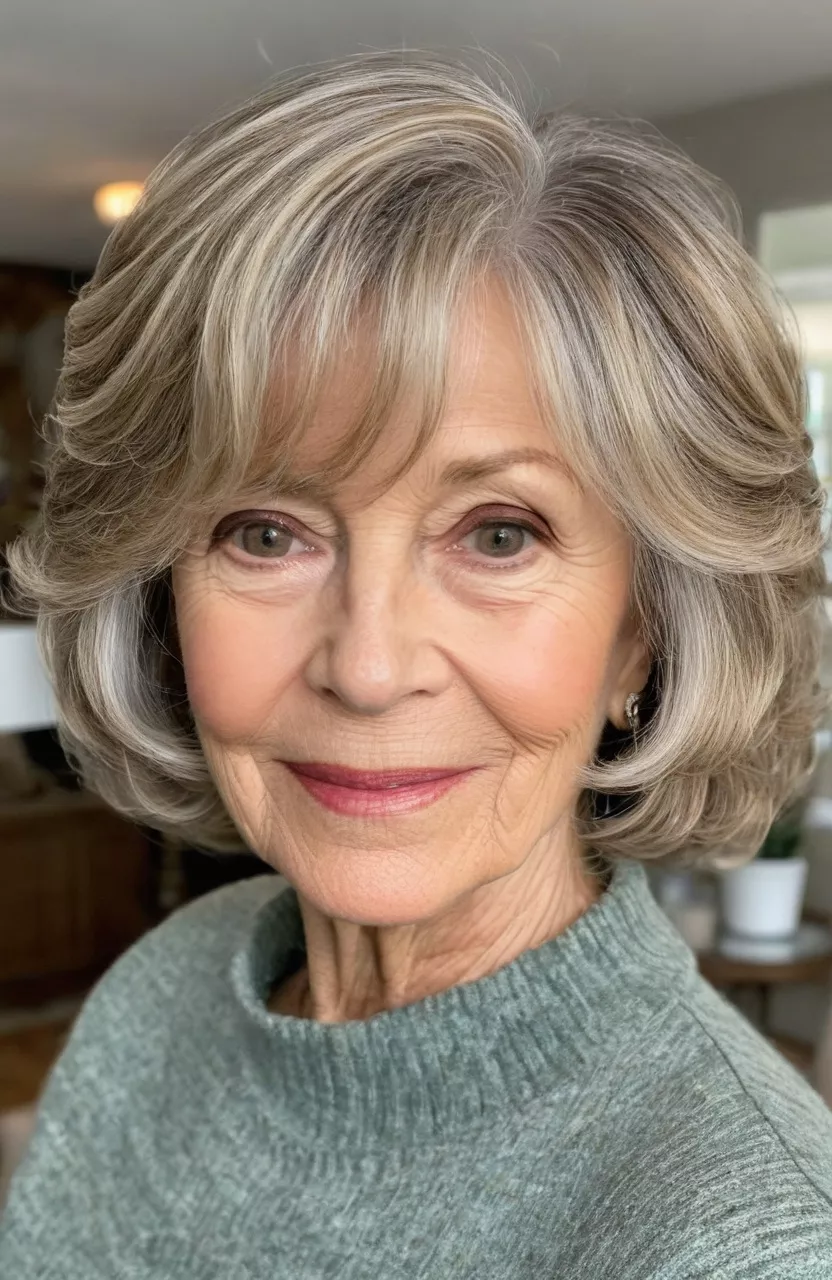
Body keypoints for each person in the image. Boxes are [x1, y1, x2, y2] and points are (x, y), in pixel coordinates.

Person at [1, 48, 831, 1279]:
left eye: (499, 532)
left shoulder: (742, 1235)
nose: (370, 666)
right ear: (158, 591)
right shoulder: (172, 983)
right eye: (264, 530)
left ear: (643, 628)